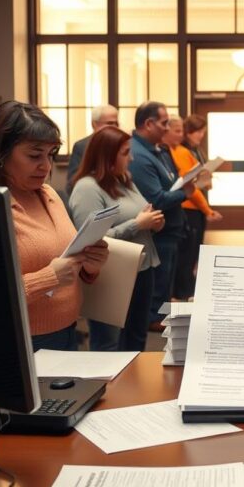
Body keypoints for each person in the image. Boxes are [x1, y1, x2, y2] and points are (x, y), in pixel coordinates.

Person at [0, 101, 109, 352]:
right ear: (0, 152)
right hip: (17, 342)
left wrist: (89, 267)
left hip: (67, 331)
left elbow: (61, 256)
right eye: (34, 155)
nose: (46, 166)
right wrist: (48, 278)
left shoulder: (47, 192)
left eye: (50, 154)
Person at [69, 126, 165, 352]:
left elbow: (140, 215)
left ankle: (132, 387)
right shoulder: (87, 188)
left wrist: (153, 223)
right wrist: (137, 224)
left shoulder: (123, 181)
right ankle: (109, 388)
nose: (131, 158)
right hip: (111, 274)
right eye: (125, 153)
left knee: (136, 340)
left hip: (142, 268)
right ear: (106, 156)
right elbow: (88, 240)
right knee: (109, 345)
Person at [128, 101, 195, 331]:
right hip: (160, 230)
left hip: (172, 227)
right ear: (148, 124)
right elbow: (155, 199)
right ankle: (154, 319)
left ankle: (160, 313)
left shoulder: (158, 149)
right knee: (158, 281)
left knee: (166, 279)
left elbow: (170, 181)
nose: (168, 128)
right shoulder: (138, 155)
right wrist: (184, 193)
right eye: (164, 123)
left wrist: (181, 188)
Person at [166, 116, 222, 301]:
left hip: (190, 204)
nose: (181, 135)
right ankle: (183, 292)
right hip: (187, 206)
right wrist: (207, 210)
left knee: (190, 252)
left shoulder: (183, 151)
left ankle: (184, 290)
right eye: (178, 131)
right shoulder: (176, 152)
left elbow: (195, 178)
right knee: (186, 253)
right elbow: (189, 185)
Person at [67, 104, 119, 191]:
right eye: (109, 123)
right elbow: (73, 181)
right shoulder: (82, 146)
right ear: (94, 124)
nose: (114, 127)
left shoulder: (121, 146)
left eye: (116, 123)